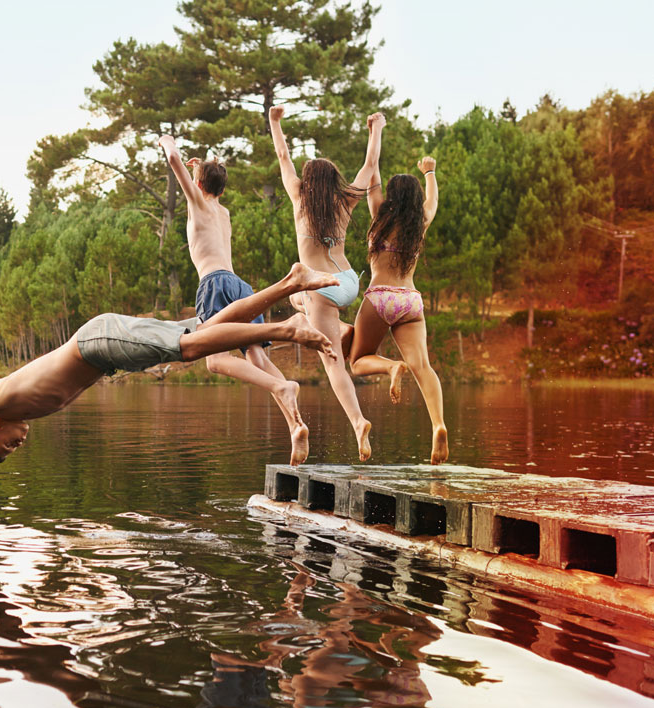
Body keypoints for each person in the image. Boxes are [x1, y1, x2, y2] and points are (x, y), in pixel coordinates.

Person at [0, 263, 339, 505]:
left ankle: (286, 328)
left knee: (190, 348)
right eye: (14, 450)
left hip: (98, 342)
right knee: (206, 332)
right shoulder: (10, 415)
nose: (20, 444)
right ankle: (289, 284)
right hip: (107, 356)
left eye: (10, 445)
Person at [159, 134, 315, 465]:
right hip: (240, 287)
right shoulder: (224, 213)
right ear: (222, 189)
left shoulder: (197, 204)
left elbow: (173, 160)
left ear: (198, 186)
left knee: (214, 360)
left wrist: (167, 140)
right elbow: (207, 185)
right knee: (257, 356)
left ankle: (281, 388)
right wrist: (202, 168)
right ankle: (295, 424)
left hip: (213, 285)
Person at [269, 107, 385, 462]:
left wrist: (275, 122)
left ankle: (358, 422)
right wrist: (376, 129)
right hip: (348, 282)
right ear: (333, 180)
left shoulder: (298, 200)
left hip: (320, 288)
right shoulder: (345, 201)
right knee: (295, 302)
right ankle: (340, 327)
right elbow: (369, 166)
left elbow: (283, 155)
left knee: (333, 364)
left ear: (307, 183)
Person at [348, 155, 448, 464]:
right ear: (416, 199)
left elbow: (371, 184)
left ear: (392, 196)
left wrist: (374, 146)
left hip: (380, 296)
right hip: (410, 300)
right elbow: (433, 200)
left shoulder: (381, 215)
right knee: (423, 367)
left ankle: (391, 366)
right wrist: (429, 170)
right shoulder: (421, 221)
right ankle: (438, 425)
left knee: (358, 361)